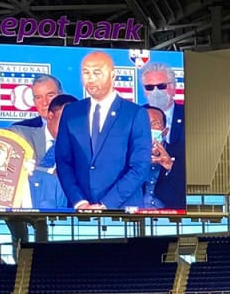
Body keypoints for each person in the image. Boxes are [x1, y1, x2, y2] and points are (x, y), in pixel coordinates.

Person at [54, 50, 154, 211]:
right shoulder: (71, 112)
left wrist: (107, 204)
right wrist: (79, 201)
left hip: (122, 210)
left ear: (113, 75)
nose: (91, 78)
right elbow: (63, 161)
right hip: (80, 211)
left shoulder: (135, 114)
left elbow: (140, 167)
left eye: (97, 72)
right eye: (86, 72)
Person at [27, 94, 76, 210]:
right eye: (66, 119)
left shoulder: (85, 147)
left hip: (64, 210)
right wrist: (49, 171)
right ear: (50, 116)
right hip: (24, 209)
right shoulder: (22, 135)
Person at [8, 74, 63, 161]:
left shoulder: (80, 128)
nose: (45, 102)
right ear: (34, 101)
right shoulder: (21, 130)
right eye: (38, 97)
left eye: (50, 95)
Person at [143, 105, 184, 210]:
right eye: (143, 124)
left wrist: (170, 166)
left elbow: (184, 196)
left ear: (165, 131)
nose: (149, 129)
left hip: (168, 220)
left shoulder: (181, 155)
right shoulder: (125, 156)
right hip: (134, 216)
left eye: (155, 124)